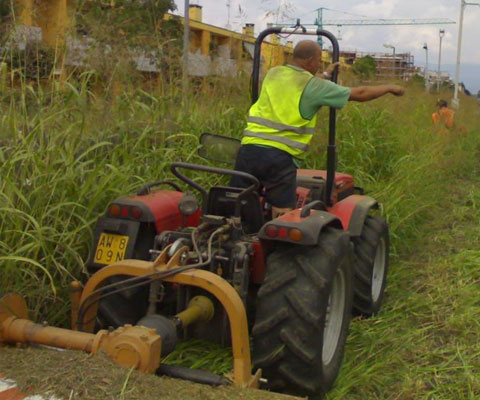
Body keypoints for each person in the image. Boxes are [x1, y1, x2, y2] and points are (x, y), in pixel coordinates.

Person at [230, 40, 405, 217]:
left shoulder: (274, 73)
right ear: (311, 60)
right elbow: (359, 94)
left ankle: (233, 233)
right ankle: (277, 240)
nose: (320, 64)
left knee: (237, 202)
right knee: (282, 212)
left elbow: (304, 83)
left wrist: (326, 74)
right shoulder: (314, 86)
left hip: (248, 150)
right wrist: (390, 88)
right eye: (319, 60)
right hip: (279, 158)